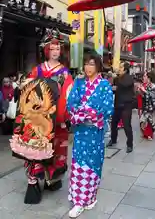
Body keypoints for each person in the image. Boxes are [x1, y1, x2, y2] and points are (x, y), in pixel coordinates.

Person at [10, 29, 73, 204]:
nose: (55, 51)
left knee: (55, 151)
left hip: (56, 119)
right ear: (46, 50)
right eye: (52, 48)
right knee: (33, 149)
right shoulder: (36, 70)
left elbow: (69, 95)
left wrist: (63, 116)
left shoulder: (65, 73)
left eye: (58, 48)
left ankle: (51, 180)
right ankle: (33, 183)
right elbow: (27, 92)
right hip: (36, 118)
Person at [67, 52, 113, 218]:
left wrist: (88, 112)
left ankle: (91, 196)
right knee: (79, 165)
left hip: (95, 132)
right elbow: (71, 103)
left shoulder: (104, 85)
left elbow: (107, 108)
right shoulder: (78, 83)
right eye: (86, 63)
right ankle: (79, 201)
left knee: (94, 165)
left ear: (98, 66)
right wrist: (83, 112)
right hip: (81, 132)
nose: (88, 67)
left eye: (92, 64)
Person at [107, 61, 134, 153]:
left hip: (126, 105)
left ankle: (129, 144)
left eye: (121, 68)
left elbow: (124, 84)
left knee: (127, 126)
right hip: (118, 104)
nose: (119, 69)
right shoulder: (118, 78)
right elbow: (116, 88)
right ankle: (113, 139)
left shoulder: (129, 78)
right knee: (113, 123)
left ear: (125, 70)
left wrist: (117, 77)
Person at [139, 71, 155, 141]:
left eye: (145, 76)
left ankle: (149, 134)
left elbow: (154, 96)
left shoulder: (154, 86)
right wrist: (141, 92)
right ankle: (146, 134)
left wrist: (144, 91)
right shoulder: (146, 85)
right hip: (146, 106)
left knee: (150, 121)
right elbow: (144, 96)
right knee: (143, 120)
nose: (144, 78)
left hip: (151, 107)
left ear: (149, 78)